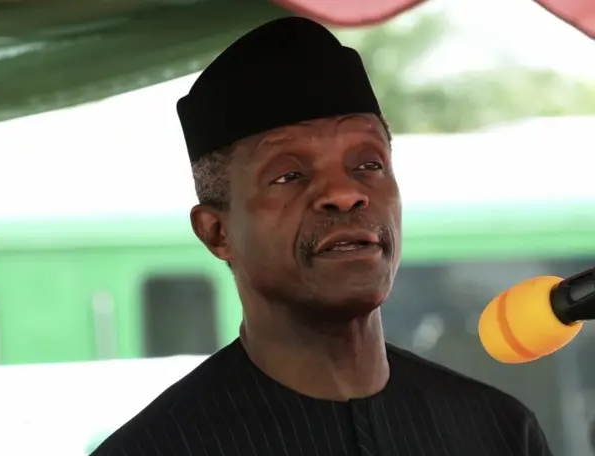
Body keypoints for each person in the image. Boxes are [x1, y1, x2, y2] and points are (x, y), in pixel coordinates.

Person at [91, 16, 553, 456]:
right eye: (290, 174)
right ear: (217, 233)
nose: (344, 193)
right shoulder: (160, 448)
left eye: (369, 164)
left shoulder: (497, 431)